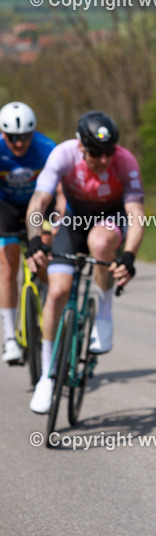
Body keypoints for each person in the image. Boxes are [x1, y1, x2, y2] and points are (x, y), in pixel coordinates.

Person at [25, 111, 143, 413]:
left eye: (108, 152)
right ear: (80, 146)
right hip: (74, 220)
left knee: (101, 243)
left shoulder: (125, 161)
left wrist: (128, 256)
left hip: (110, 219)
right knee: (56, 292)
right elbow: (38, 202)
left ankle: (104, 310)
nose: (104, 160)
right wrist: (36, 239)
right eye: (95, 153)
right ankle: (47, 378)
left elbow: (136, 215)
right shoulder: (63, 154)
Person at [0, 102, 57, 364]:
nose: (18, 143)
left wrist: (55, 223)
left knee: (44, 250)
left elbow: (59, 189)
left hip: (39, 203)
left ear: (32, 134)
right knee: (8, 262)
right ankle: (10, 337)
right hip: (7, 206)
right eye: (12, 137)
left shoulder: (47, 149)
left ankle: (47, 303)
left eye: (24, 137)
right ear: (3, 134)